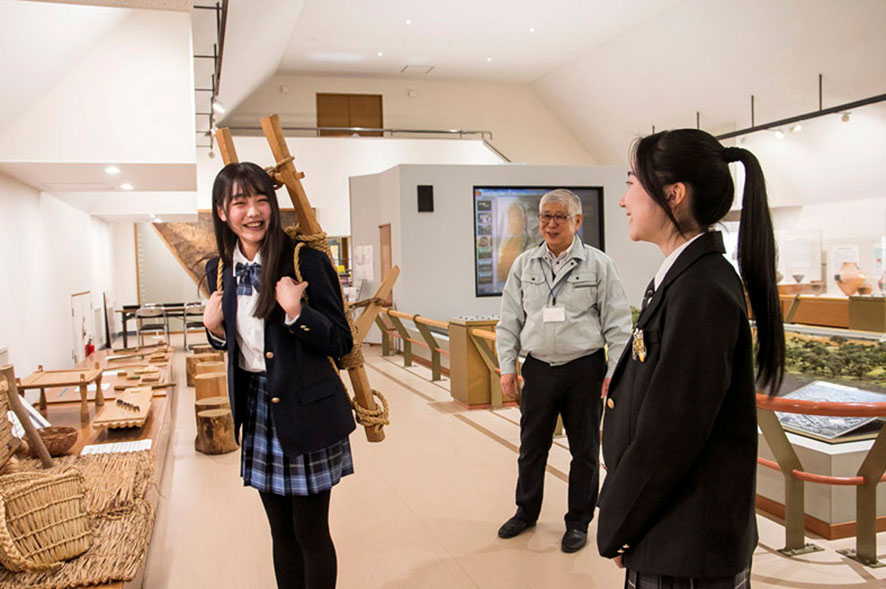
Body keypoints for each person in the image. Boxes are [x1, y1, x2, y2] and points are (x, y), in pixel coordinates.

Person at [597, 129, 784, 588]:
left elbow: (670, 434)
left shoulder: (701, 290)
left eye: (631, 184)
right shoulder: (685, 278)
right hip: (667, 531)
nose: (623, 200)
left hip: (685, 542)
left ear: (673, 195)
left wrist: (618, 523)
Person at [203, 162, 355, 589]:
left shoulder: (306, 260)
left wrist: (296, 312)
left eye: (261, 200)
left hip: (307, 407)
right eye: (240, 203)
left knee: (310, 531)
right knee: (280, 532)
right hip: (257, 407)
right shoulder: (219, 270)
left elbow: (341, 341)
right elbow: (241, 345)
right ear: (222, 212)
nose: (253, 212)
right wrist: (214, 330)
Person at [496, 188, 632, 553]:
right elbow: (509, 320)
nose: (551, 224)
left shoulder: (599, 265)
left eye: (559, 217)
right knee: (531, 447)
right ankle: (525, 512)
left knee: (584, 451)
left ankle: (578, 522)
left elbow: (619, 324)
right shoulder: (524, 264)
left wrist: (615, 373)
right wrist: (507, 367)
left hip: (584, 369)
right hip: (538, 368)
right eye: (545, 216)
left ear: (577, 221)